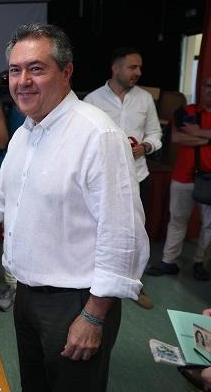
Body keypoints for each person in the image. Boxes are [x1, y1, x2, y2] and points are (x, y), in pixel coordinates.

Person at [0, 23, 149, 392]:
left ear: (66, 72)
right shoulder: (25, 133)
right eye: (15, 70)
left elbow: (123, 235)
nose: (22, 81)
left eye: (36, 68)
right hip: (28, 296)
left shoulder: (98, 135)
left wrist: (94, 316)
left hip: (77, 302)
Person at [84, 47, 162, 309]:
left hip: (138, 176)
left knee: (136, 230)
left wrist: (146, 147)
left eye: (140, 68)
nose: (138, 72)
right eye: (133, 67)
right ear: (115, 68)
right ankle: (98, 282)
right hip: (105, 182)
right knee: (102, 231)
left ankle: (135, 284)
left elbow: (155, 134)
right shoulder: (93, 100)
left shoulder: (145, 99)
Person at [146, 76, 211, 281]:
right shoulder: (186, 111)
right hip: (183, 176)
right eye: (208, 85)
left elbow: (188, 136)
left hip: (209, 180)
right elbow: (177, 137)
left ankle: (200, 262)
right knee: (177, 220)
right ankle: (169, 261)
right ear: (202, 88)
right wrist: (208, 137)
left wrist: (199, 133)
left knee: (209, 225)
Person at [0, 74, 25, 312]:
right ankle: (12, 286)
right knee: (11, 232)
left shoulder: (32, 99)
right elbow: (0, 142)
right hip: (8, 173)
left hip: (38, 172)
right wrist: (0, 101)